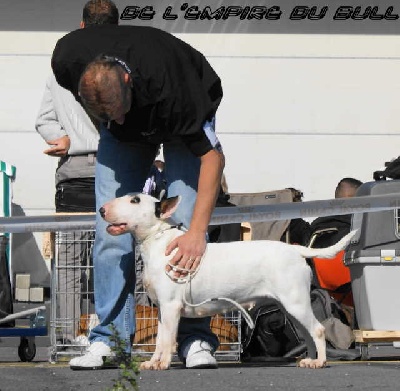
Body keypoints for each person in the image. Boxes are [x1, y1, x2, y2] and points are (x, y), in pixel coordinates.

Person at [51, 23, 225, 370]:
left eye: (117, 109)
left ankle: (194, 340)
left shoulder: (178, 90)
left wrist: (196, 233)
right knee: (109, 231)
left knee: (185, 229)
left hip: (179, 114)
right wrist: (109, 121)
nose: (114, 116)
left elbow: (213, 158)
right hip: (123, 133)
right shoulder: (67, 59)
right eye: (105, 112)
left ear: (128, 82)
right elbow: (104, 108)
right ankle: (110, 340)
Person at [35, 0, 119, 346]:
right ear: (115, 27)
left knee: (70, 262)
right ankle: (127, 332)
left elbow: (43, 119)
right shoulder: (123, 63)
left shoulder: (61, 66)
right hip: (117, 167)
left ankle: (67, 336)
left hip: (75, 170)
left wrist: (63, 139)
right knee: (121, 255)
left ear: (82, 26)